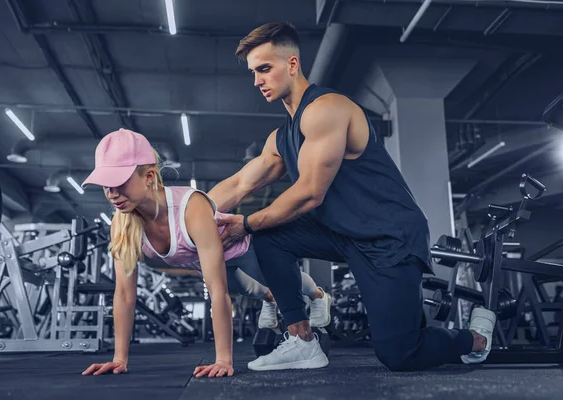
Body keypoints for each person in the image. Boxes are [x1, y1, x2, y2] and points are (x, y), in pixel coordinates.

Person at [207, 22, 497, 372]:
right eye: (254, 72)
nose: (257, 80)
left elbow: (310, 193)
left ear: (293, 64)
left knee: (400, 353)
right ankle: (301, 340)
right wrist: (183, 216)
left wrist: (245, 222)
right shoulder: (280, 138)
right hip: (343, 235)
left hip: (388, 237)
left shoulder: (327, 109)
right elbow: (239, 185)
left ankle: (476, 337)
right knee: (268, 236)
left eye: (265, 69)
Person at [79, 128, 332, 378]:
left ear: (149, 176)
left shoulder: (191, 208)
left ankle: (319, 295)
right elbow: (124, 294)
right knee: (253, 290)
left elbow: (217, 291)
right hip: (205, 261)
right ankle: (270, 299)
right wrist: (119, 358)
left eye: (119, 183)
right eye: (105, 186)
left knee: (283, 282)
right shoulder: (122, 224)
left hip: (239, 248)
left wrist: (223, 360)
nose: (112, 194)